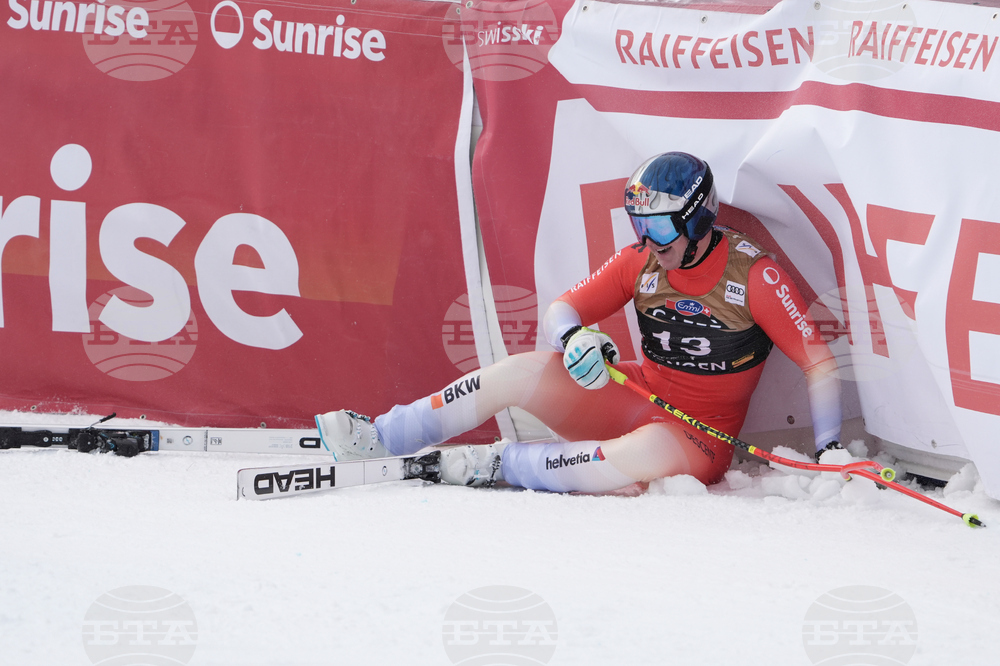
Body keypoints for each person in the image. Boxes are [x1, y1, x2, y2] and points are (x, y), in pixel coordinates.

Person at [316, 152, 843, 491]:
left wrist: (830, 449)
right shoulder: (641, 260)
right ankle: (383, 435)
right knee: (517, 373)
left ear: (699, 221)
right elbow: (562, 309)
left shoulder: (754, 276)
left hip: (696, 438)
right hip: (636, 394)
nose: (648, 243)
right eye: (640, 226)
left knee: (630, 459)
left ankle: (498, 465)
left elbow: (818, 364)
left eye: (659, 229)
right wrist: (574, 340)